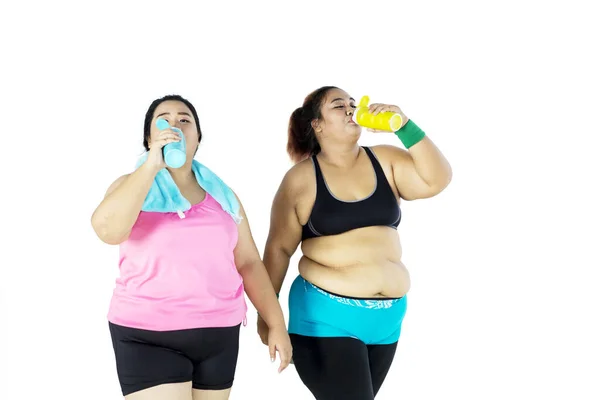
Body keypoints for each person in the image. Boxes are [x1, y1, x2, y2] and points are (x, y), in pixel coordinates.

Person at [91, 94, 292, 400]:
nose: (175, 125)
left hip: (219, 334)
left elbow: (249, 262)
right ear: (149, 138)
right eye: (164, 120)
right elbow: (108, 231)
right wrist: (150, 168)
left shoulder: (223, 196)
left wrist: (276, 322)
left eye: (184, 120)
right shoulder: (131, 185)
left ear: (197, 137)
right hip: (148, 335)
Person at [257, 86, 452, 399]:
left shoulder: (386, 159)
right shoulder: (300, 179)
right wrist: (268, 315)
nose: (351, 109)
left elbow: (436, 179)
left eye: (352, 103)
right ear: (317, 124)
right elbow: (278, 250)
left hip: (387, 322)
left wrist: (403, 125)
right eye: (338, 105)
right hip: (325, 318)